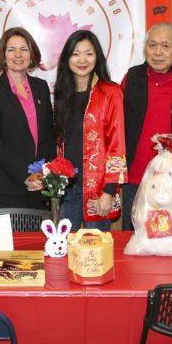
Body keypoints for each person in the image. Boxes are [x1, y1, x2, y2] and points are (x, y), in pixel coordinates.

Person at [121, 23, 172, 230]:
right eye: (152, 45)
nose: (158, 52)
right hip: (136, 180)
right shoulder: (132, 78)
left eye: (166, 46)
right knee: (134, 242)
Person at [53, 30, 126, 231]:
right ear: (67, 59)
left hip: (98, 189)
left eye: (89, 53)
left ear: (97, 57)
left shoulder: (111, 92)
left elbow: (117, 145)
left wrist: (109, 192)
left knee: (95, 251)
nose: (82, 60)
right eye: (76, 54)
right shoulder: (61, 93)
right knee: (65, 244)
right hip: (68, 187)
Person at [0, 27, 56, 208]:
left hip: (40, 185)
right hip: (8, 186)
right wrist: (25, 174)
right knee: (13, 238)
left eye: (24, 49)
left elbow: (48, 135)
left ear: (31, 54)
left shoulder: (41, 87)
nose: (18, 55)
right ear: (3, 55)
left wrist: (45, 175)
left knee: (40, 237)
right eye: (11, 50)